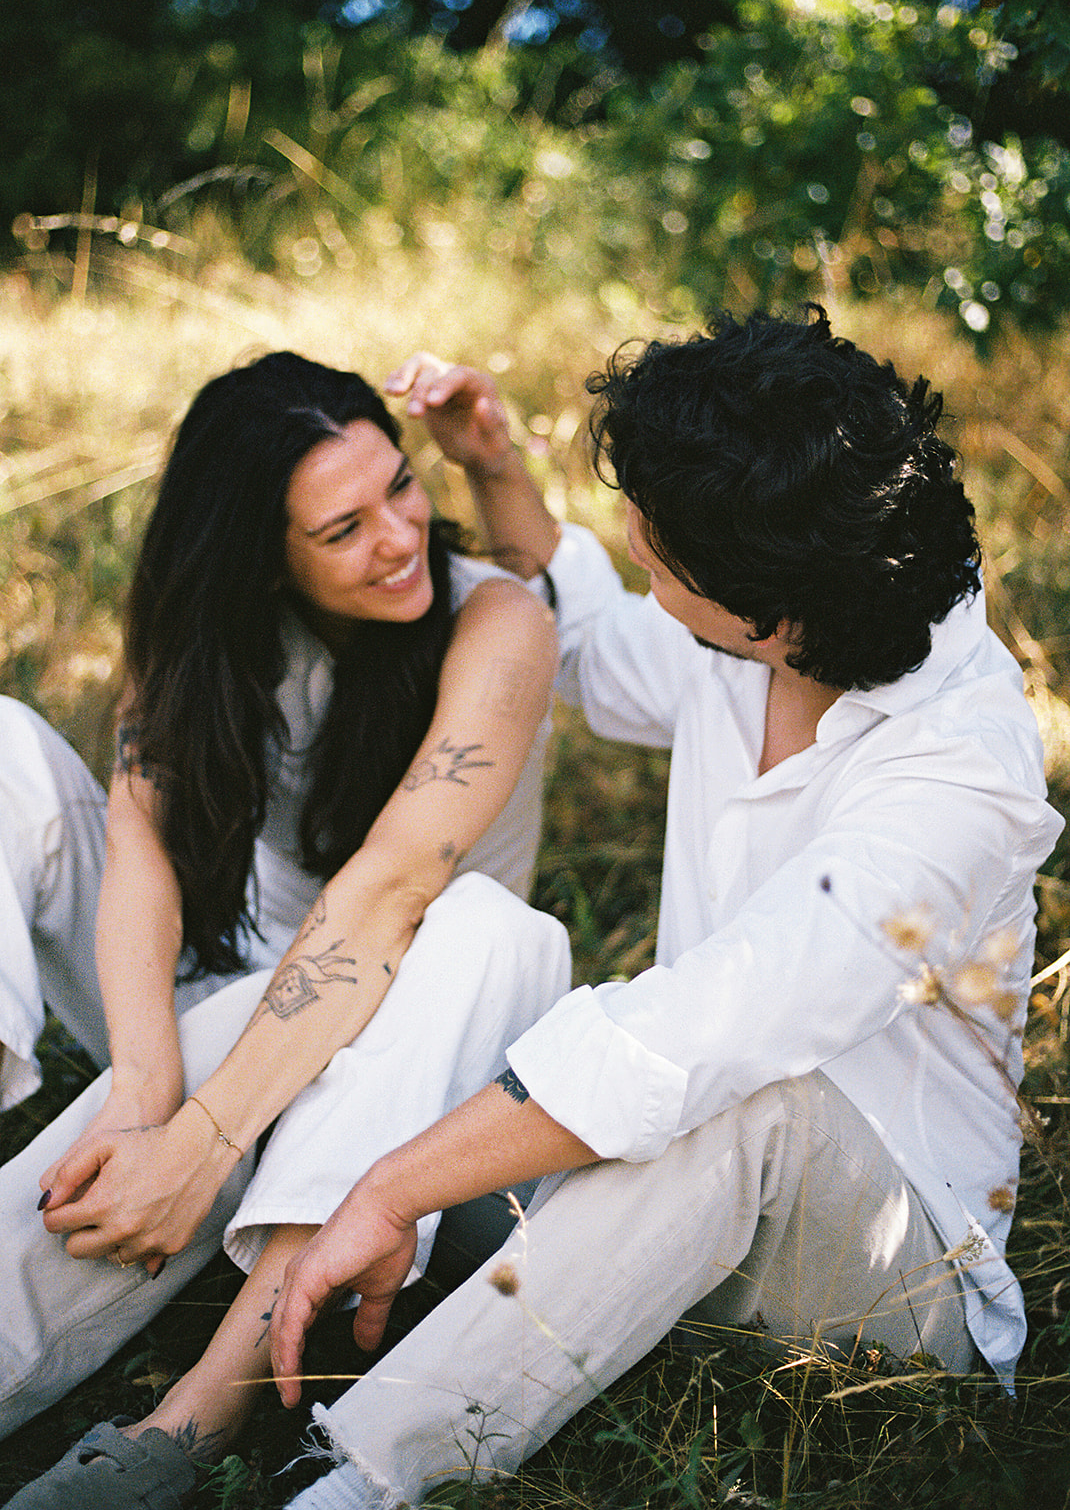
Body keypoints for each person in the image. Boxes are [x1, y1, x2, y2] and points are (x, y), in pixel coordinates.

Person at [244, 304, 1059, 1510]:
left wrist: (396, 1184)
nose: (630, 542)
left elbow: (702, 1035)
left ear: (764, 609)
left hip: (891, 1281)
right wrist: (493, 465)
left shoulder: (960, 776)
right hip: (671, 1178)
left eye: (657, 545)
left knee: (750, 1100)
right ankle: (228, 1333)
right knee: (467, 977)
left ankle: (359, 1476)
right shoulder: (770, 622)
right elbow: (586, 640)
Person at [0, 348, 603, 1491]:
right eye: (343, 528)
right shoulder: (209, 632)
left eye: (399, 489)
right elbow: (138, 850)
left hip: (423, 1046)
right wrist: (141, 1096)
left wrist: (201, 1139)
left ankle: (189, 1430)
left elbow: (388, 891)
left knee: (471, 917)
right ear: (259, 559)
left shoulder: (497, 622)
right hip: (229, 999)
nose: (397, 535)